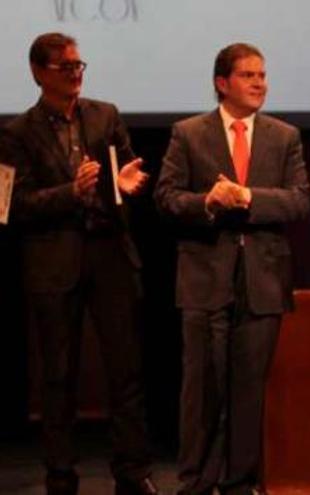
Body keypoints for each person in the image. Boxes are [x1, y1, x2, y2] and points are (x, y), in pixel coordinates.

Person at [0, 32, 158, 495]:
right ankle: (61, 474)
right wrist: (72, 193)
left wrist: (126, 181)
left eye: (79, 65)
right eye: (65, 67)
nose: (76, 74)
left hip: (109, 252)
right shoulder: (15, 134)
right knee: (57, 373)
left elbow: (128, 169)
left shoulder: (104, 115)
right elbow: (11, 206)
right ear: (39, 73)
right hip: (53, 260)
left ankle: (133, 470)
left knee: (126, 369)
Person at [153, 42, 310, 495]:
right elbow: (166, 198)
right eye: (248, 75)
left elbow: (300, 200)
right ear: (222, 83)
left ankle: (241, 483)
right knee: (202, 390)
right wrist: (207, 201)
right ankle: (197, 482)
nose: (260, 83)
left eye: (262, 75)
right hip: (205, 279)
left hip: (262, 280)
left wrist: (248, 198)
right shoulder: (189, 133)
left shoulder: (284, 137)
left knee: (248, 391)